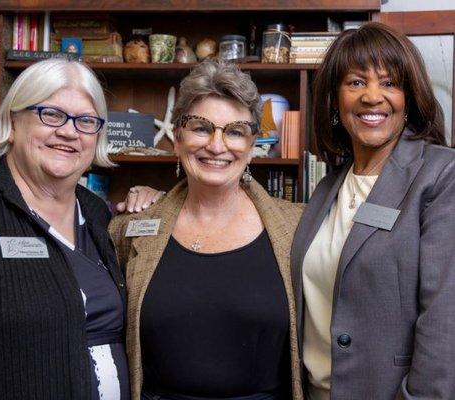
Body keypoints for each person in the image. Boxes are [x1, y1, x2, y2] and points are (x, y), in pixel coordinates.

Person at [109, 59, 304, 400]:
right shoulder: (131, 230)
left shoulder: (298, 227)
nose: (216, 146)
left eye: (234, 131)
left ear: (252, 143)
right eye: (201, 128)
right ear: (178, 135)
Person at [290, 22, 455, 399]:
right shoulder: (326, 188)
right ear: (334, 98)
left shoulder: (442, 175)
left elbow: (445, 320)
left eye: (389, 83)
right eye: (356, 82)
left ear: (409, 97)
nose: (372, 96)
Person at [0, 59, 131, 400]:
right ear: (14, 121)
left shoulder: (97, 212)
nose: (69, 132)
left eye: (86, 121)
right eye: (52, 114)